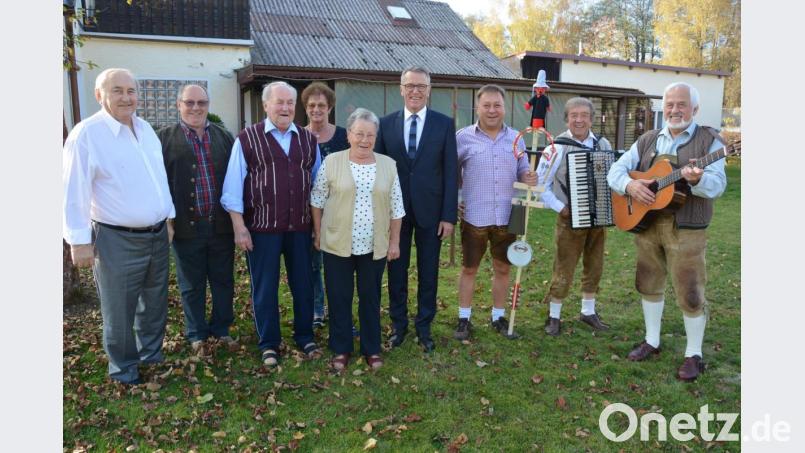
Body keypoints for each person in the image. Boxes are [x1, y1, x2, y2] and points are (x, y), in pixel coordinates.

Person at [607, 82, 727, 381]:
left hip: (687, 228)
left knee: (690, 290)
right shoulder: (648, 139)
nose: (674, 110)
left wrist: (697, 180)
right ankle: (652, 340)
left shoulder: (710, 141)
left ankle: (693, 354)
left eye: (681, 104)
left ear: (695, 109)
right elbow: (615, 171)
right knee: (648, 282)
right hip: (647, 225)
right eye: (670, 104)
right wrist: (631, 185)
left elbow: (718, 185)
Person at [63, 68, 175, 385]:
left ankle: (151, 355)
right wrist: (79, 241)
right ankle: (124, 368)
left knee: (153, 302)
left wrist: (168, 217)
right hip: (116, 239)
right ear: (100, 96)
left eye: (131, 90)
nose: (126, 97)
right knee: (119, 309)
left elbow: (158, 178)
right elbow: (74, 190)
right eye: (117, 91)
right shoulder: (87, 135)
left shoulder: (146, 130)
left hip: (156, 234)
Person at [221, 81, 322, 367]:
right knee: (265, 287)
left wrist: (318, 226)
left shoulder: (307, 139)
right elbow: (232, 188)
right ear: (266, 105)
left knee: (303, 284)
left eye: (290, 103)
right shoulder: (247, 139)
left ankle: (305, 336)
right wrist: (239, 227)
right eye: (279, 102)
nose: (286, 108)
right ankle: (269, 342)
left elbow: (318, 186)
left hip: (300, 228)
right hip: (262, 228)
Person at [311, 108, 405, 371]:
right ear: (349, 134)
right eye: (359, 134)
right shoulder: (332, 162)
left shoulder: (388, 165)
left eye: (370, 135)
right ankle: (341, 349)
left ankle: (371, 348)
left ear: (376, 137)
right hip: (336, 242)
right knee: (339, 297)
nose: (365, 140)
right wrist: (318, 234)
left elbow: (397, 208)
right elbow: (317, 201)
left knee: (370, 297)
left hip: (374, 245)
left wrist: (395, 242)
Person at [375, 65, 458, 352]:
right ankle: (399, 326)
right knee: (396, 271)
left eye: (421, 86)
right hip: (394, 214)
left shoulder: (444, 124)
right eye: (410, 85)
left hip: (431, 213)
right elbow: (380, 171)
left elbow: (450, 173)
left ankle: (424, 327)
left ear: (429, 90)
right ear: (401, 88)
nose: (415, 91)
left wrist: (449, 216)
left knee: (428, 272)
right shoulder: (385, 124)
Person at [453, 85, 536, 340]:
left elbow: (523, 168)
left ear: (504, 107)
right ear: (477, 107)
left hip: (511, 213)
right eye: (486, 105)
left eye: (496, 105)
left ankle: (498, 317)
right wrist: (454, 199)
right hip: (474, 214)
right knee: (469, 269)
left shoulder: (517, 138)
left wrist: (528, 176)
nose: (491, 110)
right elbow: (451, 173)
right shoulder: (463, 137)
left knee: (504, 268)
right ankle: (464, 319)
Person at [158, 84, 236, 354]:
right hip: (185, 227)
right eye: (189, 102)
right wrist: (166, 221)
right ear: (179, 105)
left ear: (208, 105)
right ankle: (196, 333)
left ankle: (222, 328)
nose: (196, 108)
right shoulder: (163, 139)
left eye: (201, 102)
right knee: (191, 284)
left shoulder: (225, 138)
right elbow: (157, 183)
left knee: (223, 280)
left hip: (221, 225)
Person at [540, 97, 613, 336]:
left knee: (595, 266)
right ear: (567, 118)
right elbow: (542, 185)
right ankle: (554, 316)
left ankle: (588, 311)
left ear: (591, 119)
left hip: (598, 217)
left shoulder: (603, 144)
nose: (579, 120)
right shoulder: (555, 147)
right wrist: (561, 207)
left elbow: (611, 178)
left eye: (584, 115)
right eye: (574, 115)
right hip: (569, 218)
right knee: (564, 267)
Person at [301, 82, 349, 329]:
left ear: (329, 107)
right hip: (308, 212)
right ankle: (317, 308)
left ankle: (340, 309)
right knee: (312, 264)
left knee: (339, 266)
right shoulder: (299, 137)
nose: (316, 109)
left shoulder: (344, 136)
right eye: (311, 105)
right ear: (306, 108)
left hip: (340, 212)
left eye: (321, 105)